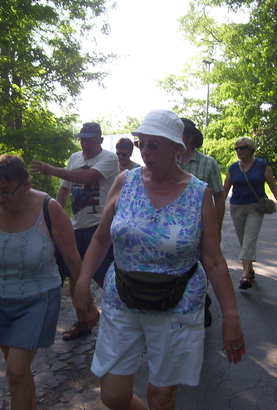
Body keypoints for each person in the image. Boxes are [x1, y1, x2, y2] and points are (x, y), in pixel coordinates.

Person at [73, 110, 245, 410]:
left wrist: (231, 316)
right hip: (122, 298)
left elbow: (214, 261)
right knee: (113, 396)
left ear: (177, 148)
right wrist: (83, 281)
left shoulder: (198, 193)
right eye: (142, 143)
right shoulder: (125, 181)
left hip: (177, 303)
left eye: (155, 145)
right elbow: (101, 238)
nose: (145, 152)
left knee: (162, 397)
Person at [0, 155, 89, 410]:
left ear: (26, 184)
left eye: (7, 192)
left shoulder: (50, 209)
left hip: (37, 299)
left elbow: (72, 257)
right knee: (18, 374)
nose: (1, 199)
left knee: (15, 372)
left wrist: (85, 298)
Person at [31, 122, 119, 341]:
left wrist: (51, 170)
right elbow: (64, 188)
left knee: (103, 276)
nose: (85, 143)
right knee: (74, 276)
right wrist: (56, 220)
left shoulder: (109, 158)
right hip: (76, 226)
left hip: (100, 226)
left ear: (100, 139)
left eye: (90, 139)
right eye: (82, 139)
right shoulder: (74, 158)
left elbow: (87, 178)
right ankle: (83, 322)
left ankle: (121, 318)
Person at [176, 118, 224, 327]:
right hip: (174, 230)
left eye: (178, 133)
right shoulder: (168, 161)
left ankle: (201, 306)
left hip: (201, 227)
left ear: (188, 137)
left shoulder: (208, 163)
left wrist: (217, 227)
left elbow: (219, 197)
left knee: (202, 267)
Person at [223, 137, 277, 290]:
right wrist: (215, 209)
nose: (238, 151)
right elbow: (224, 190)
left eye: (242, 148)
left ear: (250, 149)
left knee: (249, 239)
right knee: (243, 240)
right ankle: (250, 268)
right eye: (236, 148)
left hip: (255, 208)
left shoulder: (261, 165)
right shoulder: (232, 168)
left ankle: (245, 275)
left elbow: (273, 185)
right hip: (237, 207)